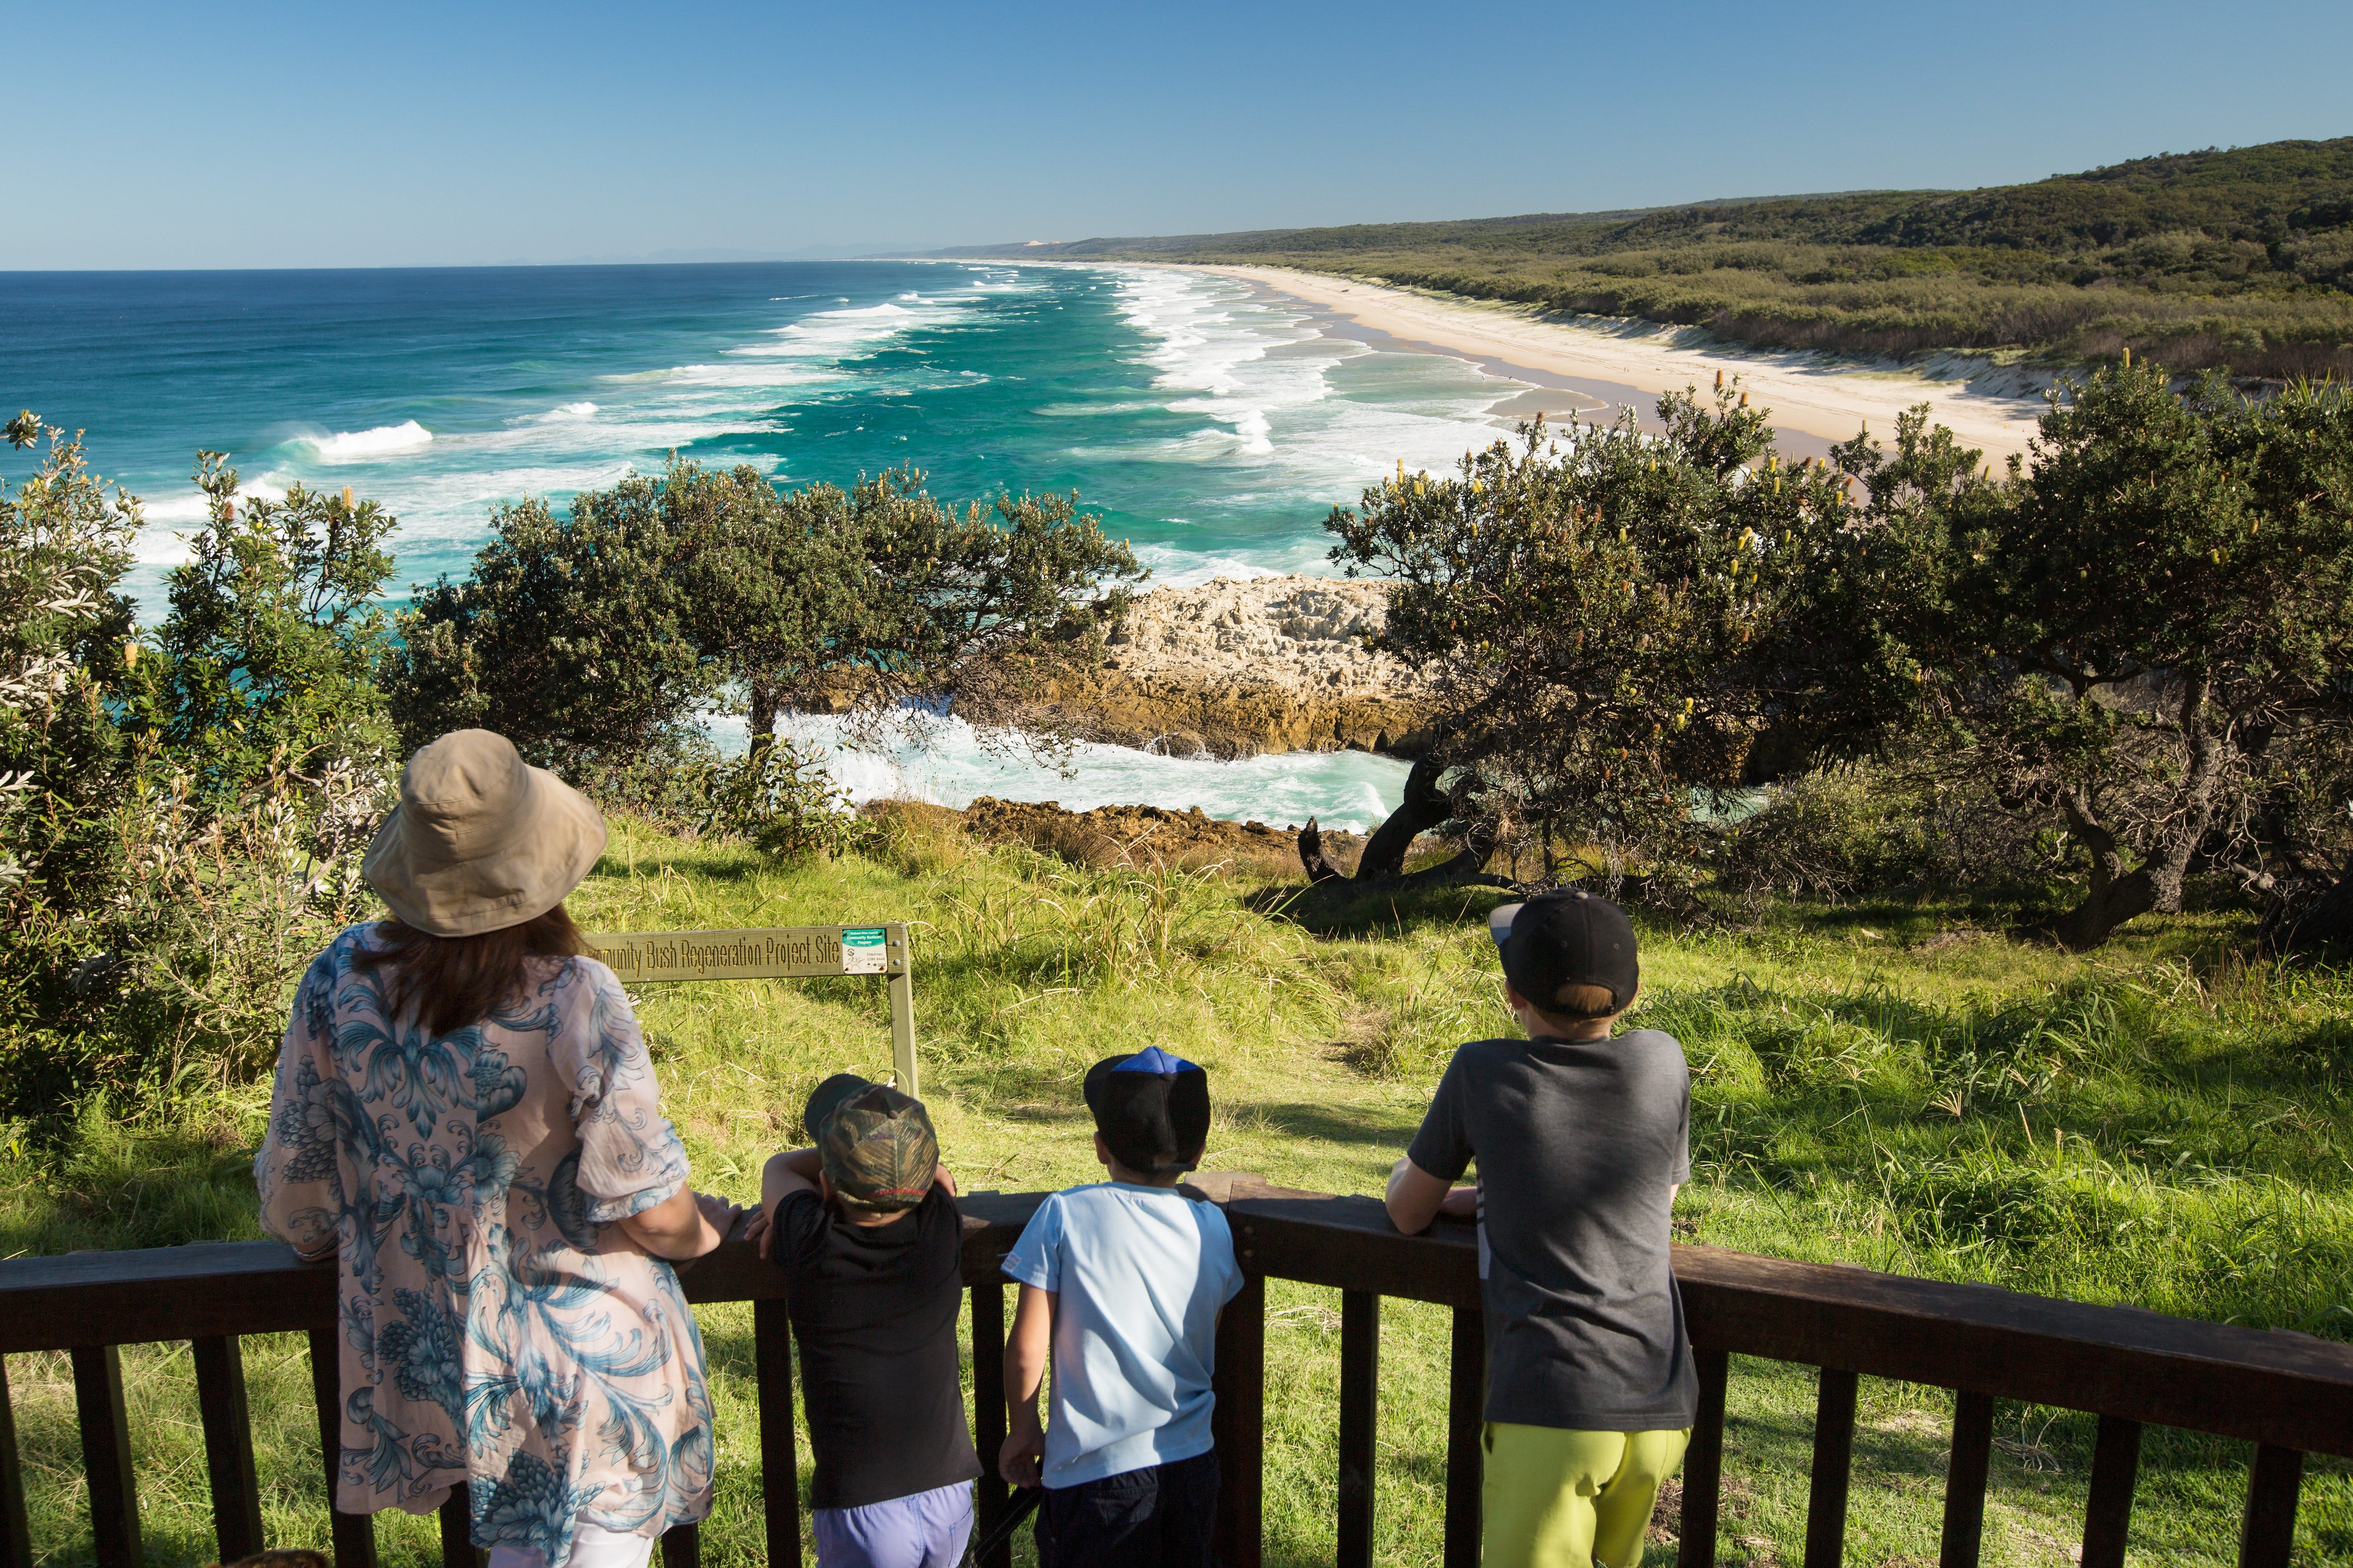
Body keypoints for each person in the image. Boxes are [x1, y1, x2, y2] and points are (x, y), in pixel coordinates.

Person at [256, 729, 732, 1568]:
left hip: (442, 1362)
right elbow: (651, 1210)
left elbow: (300, 1193)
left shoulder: (338, 980)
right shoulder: (575, 994)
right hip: (594, 1368)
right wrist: (709, 1234)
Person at [1384, 891, 1695, 1568]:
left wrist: (1476, 1193)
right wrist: (1502, 1192)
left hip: (1552, 1405)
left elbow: (1408, 1211)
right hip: (1659, 1401)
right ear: (1634, 993)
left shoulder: (1482, 1068)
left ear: (1510, 994)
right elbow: (1656, 1193)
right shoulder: (1664, 1059)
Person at [998, 1048, 1242, 1568]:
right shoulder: (1212, 1228)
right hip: (1191, 1464)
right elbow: (1207, 1329)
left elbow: (1026, 1349)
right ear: (1198, 1152)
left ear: (1100, 1147)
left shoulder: (1065, 1213)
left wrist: (1023, 1430)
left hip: (1094, 1479)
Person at [749, 1074, 980, 1568]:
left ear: (826, 1184)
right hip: (951, 1491)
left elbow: (778, 1167)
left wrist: (828, 1165)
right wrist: (890, 1149)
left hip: (862, 1506)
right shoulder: (940, 1227)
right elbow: (939, 1177)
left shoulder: (810, 1242)